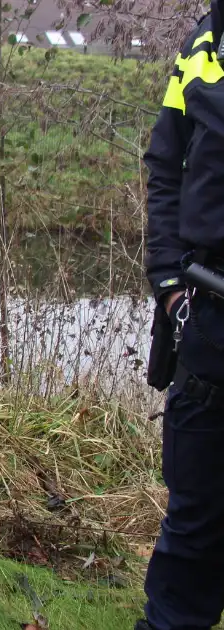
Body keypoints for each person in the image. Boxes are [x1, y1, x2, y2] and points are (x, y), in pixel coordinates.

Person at [140, 3, 224, 629]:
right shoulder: (205, 41)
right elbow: (166, 164)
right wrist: (169, 281)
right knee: (193, 529)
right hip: (210, 322)